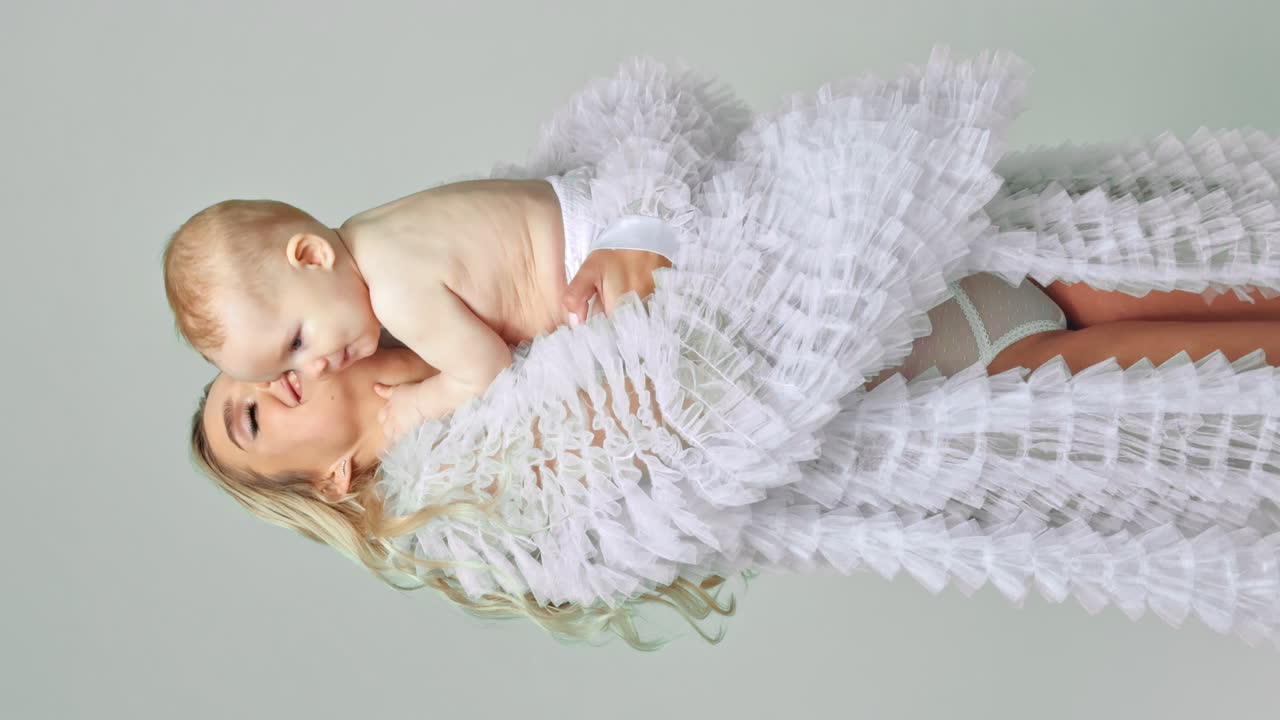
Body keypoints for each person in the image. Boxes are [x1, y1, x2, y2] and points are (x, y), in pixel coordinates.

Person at [184, 48, 1280, 650]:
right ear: (323, 479)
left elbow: (652, 136)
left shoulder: (438, 278)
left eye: (250, 367)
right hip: (950, 403)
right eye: (246, 413)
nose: (263, 379)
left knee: (1227, 267)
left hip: (941, 261)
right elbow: (670, 437)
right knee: (1229, 389)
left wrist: (636, 232)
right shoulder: (462, 514)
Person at [163, 59, 748, 437]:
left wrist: (419, 403)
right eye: (289, 365)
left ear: (313, 257)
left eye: (297, 340)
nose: (312, 367)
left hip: (591, 264)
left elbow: (487, 367)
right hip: (592, 208)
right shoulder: (373, 231)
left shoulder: (395, 295)